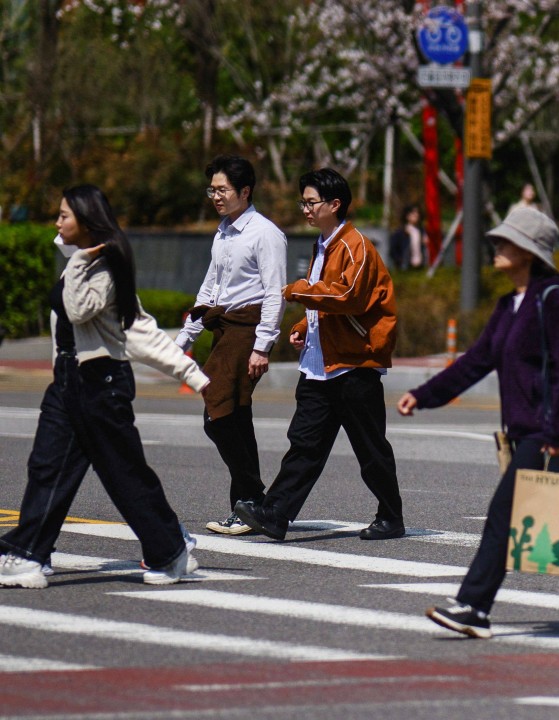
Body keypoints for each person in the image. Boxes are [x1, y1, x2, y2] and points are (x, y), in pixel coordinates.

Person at [397, 207, 559, 638]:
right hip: (526, 432)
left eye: (506, 242)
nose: (497, 249)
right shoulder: (510, 304)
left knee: (505, 515)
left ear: (529, 252)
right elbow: (476, 361)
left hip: (547, 435)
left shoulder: (556, 298)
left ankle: (474, 606)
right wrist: (424, 395)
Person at [0, 185, 209, 588]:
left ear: (87, 218)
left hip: (99, 382)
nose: (57, 223)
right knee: (48, 467)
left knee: (123, 474)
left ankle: (170, 550)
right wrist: (76, 253)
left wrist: (195, 377)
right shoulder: (88, 261)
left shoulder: (105, 266)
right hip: (68, 380)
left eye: (64, 215)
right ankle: (29, 555)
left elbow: (89, 314)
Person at [235, 168, 405, 542]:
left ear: (335, 204)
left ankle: (391, 516)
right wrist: (302, 325)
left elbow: (348, 297)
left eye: (311, 202)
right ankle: (276, 514)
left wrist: (298, 291)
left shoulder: (354, 244)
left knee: (370, 448)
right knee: (305, 443)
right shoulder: (323, 244)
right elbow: (325, 299)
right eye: (304, 202)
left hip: (355, 364)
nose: (305, 209)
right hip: (320, 365)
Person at [176, 155, 288, 536]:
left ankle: (253, 497)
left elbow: (275, 293)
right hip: (223, 329)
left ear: (245, 191)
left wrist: (263, 346)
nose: (216, 197)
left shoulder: (265, 233)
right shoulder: (223, 231)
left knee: (217, 412)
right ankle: (248, 507)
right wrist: (184, 340)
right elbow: (211, 288)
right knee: (236, 416)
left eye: (222, 190)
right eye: (213, 190)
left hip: (246, 330)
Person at [388, 205, 422, 271]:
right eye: (413, 213)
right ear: (407, 215)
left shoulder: (420, 231)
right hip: (406, 267)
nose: (416, 215)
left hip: (419, 266)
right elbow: (393, 249)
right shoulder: (400, 232)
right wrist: (400, 261)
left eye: (417, 212)